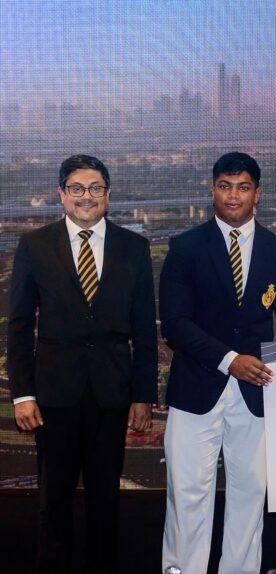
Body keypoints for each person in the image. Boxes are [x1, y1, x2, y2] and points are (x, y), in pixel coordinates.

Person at [7, 154, 157, 573]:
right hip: (53, 395)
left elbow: (145, 328)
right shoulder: (35, 245)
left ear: (108, 195)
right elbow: (19, 326)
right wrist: (22, 394)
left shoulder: (134, 247)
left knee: (105, 502)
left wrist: (143, 395)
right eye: (76, 188)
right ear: (61, 194)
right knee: (53, 502)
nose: (86, 196)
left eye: (95, 188)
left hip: (112, 393)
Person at [160, 152, 276, 573]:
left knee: (250, 494)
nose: (233, 195)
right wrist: (229, 360)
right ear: (213, 190)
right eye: (225, 186)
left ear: (257, 193)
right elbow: (175, 324)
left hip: (257, 392)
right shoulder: (185, 247)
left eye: (243, 187)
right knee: (188, 494)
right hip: (195, 387)